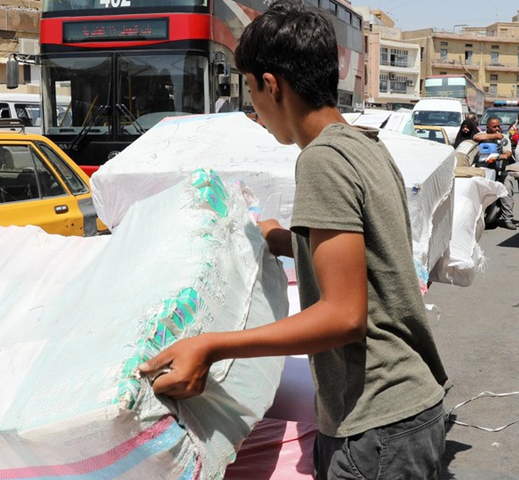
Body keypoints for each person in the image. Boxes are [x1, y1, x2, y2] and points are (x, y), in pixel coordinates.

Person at [137, 2, 448, 479]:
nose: (253, 109)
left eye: (250, 90)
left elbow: (344, 315)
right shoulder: (365, 144)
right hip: (406, 410)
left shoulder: (322, 161)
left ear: (272, 84)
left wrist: (213, 346)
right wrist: (281, 238)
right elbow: (368, 253)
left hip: (378, 422)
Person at [474, 116, 519, 229]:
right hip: (483, 168)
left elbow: (508, 151)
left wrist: (504, 156)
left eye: (499, 126)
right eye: (494, 126)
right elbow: (475, 137)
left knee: (506, 189)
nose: (497, 128)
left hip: (501, 170)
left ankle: (507, 219)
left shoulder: (503, 137)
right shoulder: (482, 135)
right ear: (488, 127)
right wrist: (495, 136)